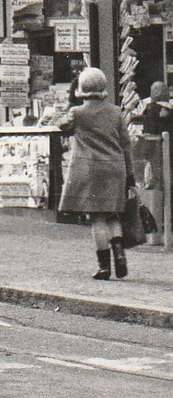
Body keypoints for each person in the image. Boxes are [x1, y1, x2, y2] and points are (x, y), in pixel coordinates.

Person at [58, 67, 138, 280]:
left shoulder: (78, 113)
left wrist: (70, 100)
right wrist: (130, 175)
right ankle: (120, 256)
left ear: (81, 88)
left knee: (97, 219)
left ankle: (104, 267)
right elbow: (126, 145)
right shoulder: (116, 112)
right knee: (113, 216)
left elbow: (60, 124)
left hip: (91, 170)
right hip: (115, 168)